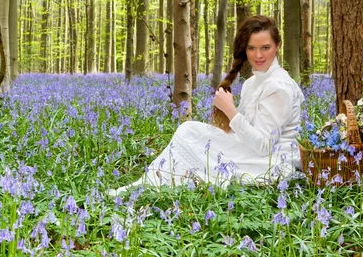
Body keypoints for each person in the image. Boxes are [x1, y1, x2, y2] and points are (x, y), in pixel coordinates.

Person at [110, 15, 304, 195]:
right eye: (252, 48)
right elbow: (244, 133)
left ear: (277, 46)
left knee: (190, 132)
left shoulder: (279, 87)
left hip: (269, 163)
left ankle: (153, 187)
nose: (258, 55)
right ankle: (152, 185)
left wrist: (230, 110)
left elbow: (264, 146)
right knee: (191, 131)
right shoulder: (253, 83)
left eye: (265, 47)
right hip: (252, 151)